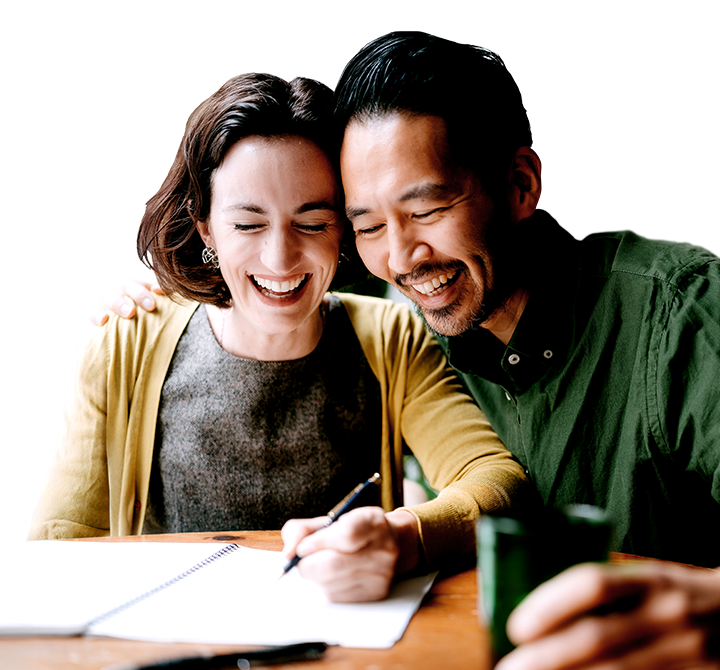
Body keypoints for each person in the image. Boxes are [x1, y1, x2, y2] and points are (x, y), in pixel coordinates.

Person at [91, 34, 720, 668]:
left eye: (428, 208)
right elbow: (267, 266)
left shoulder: (681, 317)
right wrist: (144, 300)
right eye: (365, 224)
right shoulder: (423, 307)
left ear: (521, 184)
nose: (400, 258)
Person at [28, 72, 533, 604]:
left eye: (312, 223)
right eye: (248, 224)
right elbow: (58, 545)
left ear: (343, 229)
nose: (280, 259)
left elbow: (496, 482)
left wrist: (402, 535)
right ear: (205, 227)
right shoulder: (124, 337)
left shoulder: (391, 337)